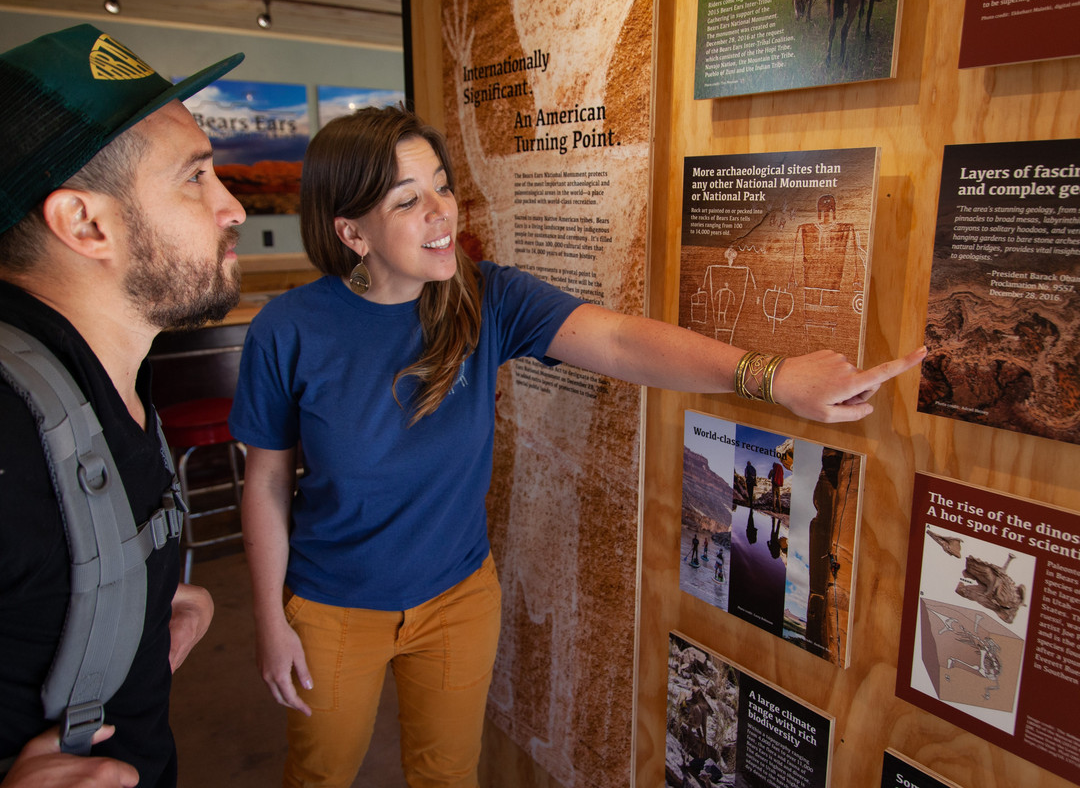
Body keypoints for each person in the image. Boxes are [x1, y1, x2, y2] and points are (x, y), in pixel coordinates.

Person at [230, 104, 925, 788]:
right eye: (409, 200)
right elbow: (264, 482)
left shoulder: (486, 299)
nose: (443, 212)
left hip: (456, 600)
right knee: (321, 772)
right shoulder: (288, 331)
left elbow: (620, 339)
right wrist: (270, 620)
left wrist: (771, 376)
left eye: (442, 184)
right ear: (352, 232)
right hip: (332, 607)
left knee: (448, 774)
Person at [0, 25, 247, 787]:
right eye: (195, 178)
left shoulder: (103, 375)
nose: (232, 207)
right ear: (86, 224)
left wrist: (143, 608)